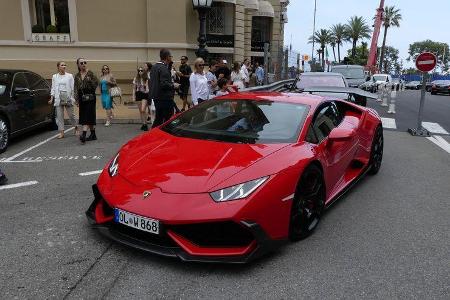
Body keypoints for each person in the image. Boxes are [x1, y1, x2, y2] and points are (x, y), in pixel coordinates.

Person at [49, 61, 78, 139]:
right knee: (59, 116)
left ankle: (76, 127)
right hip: (59, 98)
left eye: (65, 65)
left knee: (71, 115)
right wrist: (51, 98)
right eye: (62, 65)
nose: (64, 66)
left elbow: (73, 88)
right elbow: (53, 88)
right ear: (58, 67)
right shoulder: (54, 76)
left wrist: (73, 98)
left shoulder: (70, 76)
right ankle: (61, 132)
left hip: (68, 97)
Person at [150, 49, 178, 128]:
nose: (171, 58)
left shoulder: (154, 67)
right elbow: (164, 83)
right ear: (167, 57)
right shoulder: (163, 68)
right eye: (170, 56)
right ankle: (160, 135)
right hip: (165, 98)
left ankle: (153, 134)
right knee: (167, 119)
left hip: (156, 97)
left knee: (159, 118)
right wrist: (173, 85)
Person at [74, 58, 99, 144]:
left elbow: (96, 84)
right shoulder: (77, 75)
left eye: (85, 62)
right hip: (82, 97)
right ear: (78, 65)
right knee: (87, 115)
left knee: (87, 115)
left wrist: (90, 81)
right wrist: (76, 99)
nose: (84, 64)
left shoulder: (91, 73)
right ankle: (93, 134)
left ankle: (83, 135)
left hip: (90, 97)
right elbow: (76, 88)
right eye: (81, 63)